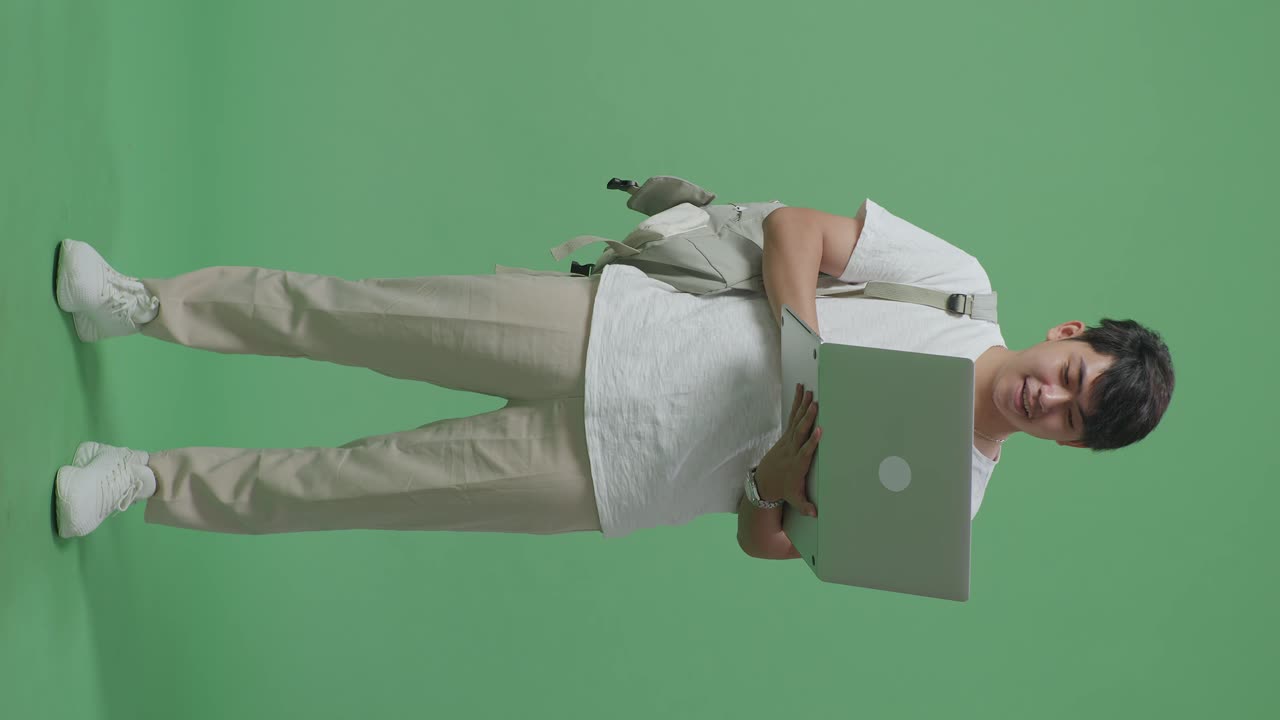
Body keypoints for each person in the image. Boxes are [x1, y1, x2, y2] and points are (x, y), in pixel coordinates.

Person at [51, 197, 1174, 545]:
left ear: (1064, 448)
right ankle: (139, 307)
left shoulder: (956, 502)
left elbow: (766, 537)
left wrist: (782, 474)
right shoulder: (958, 288)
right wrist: (805, 358)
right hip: (609, 328)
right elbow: (792, 232)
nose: (1050, 397)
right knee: (351, 314)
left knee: (350, 488)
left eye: (1071, 420)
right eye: (1073, 374)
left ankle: (141, 478)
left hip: (616, 477)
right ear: (1069, 333)